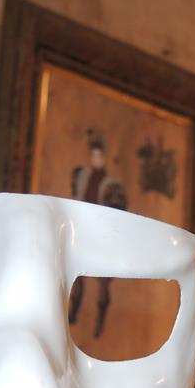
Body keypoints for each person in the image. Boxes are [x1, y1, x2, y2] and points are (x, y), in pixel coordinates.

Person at [69, 129, 128, 337]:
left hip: (100, 234)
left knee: (102, 280)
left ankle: (100, 320)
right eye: (93, 155)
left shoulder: (111, 184)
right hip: (83, 230)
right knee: (77, 274)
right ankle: (73, 311)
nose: (96, 160)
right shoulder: (82, 175)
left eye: (99, 156)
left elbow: (117, 212)